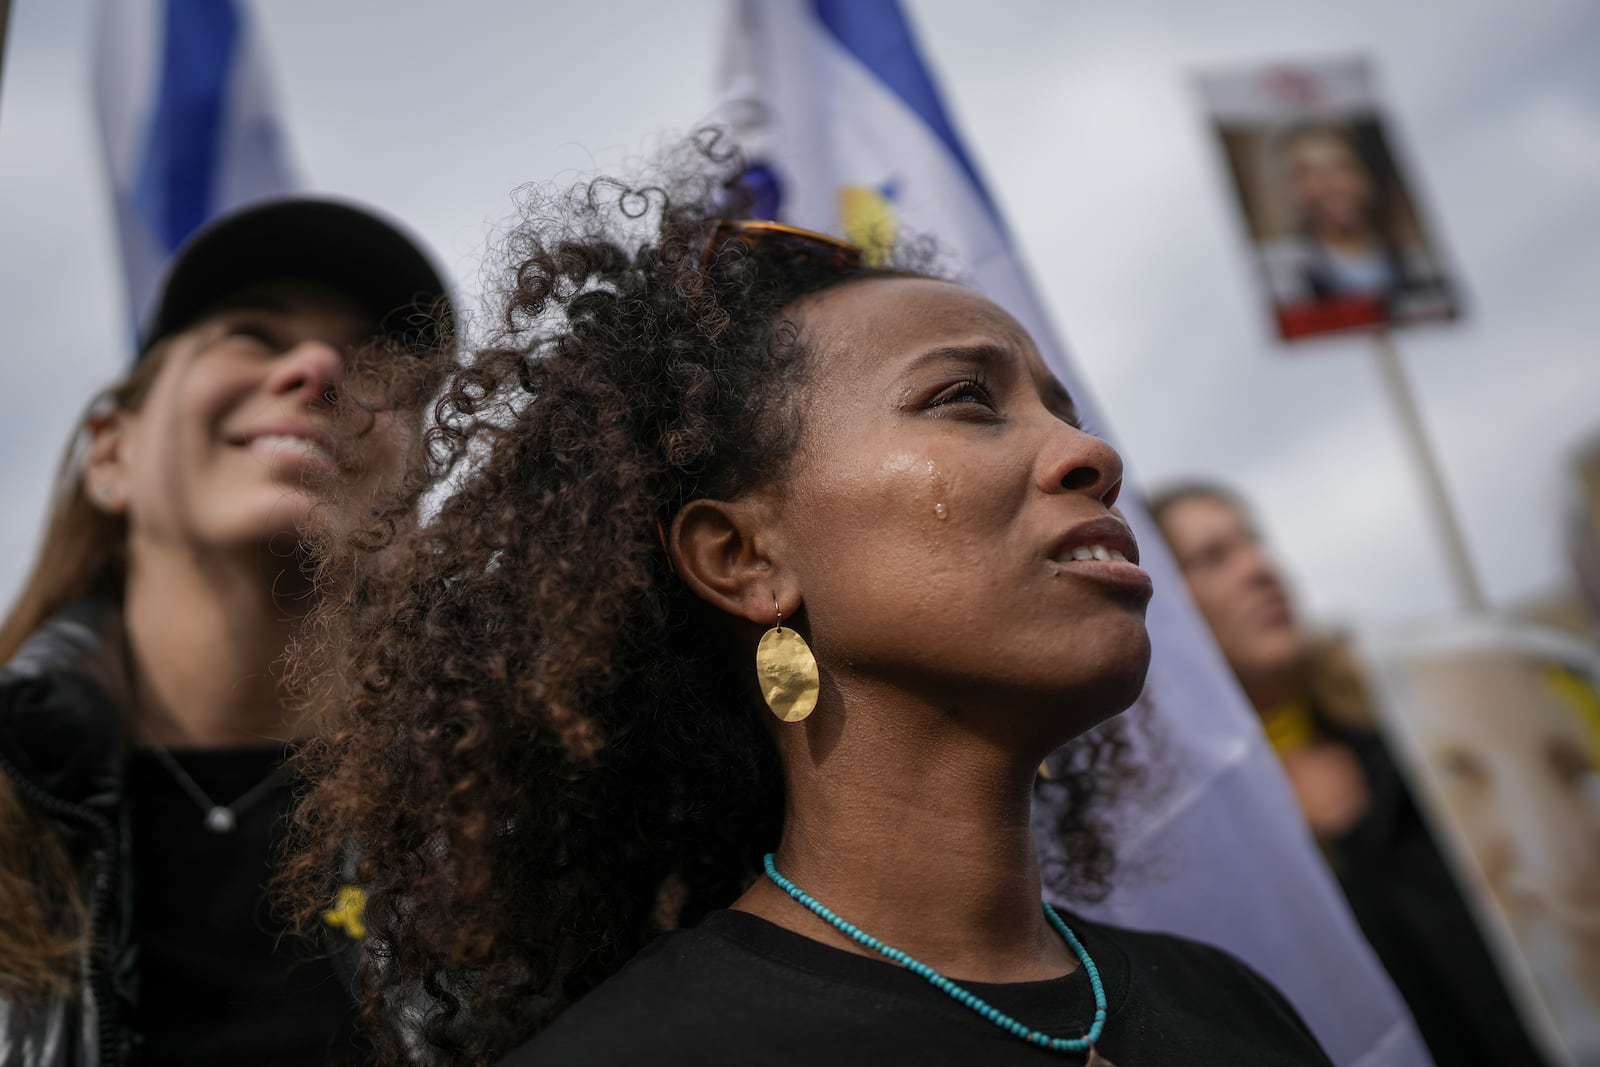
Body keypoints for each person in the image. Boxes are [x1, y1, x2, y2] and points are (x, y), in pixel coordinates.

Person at [284, 149, 1334, 1066]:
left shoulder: (1234, 1006)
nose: (1092, 454)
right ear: (741, 556)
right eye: (964, 398)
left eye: (1061, 409)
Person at [0, 197, 449, 1066]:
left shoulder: (530, 828)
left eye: (377, 362)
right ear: (110, 454)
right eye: (251, 332)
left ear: (415, 494)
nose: (321, 366)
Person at [1149, 481, 1553, 1067]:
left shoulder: (1421, 730)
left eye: (1254, 541)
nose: (1260, 568)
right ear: (1164, 611)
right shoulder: (1191, 840)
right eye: (1213, 558)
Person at [1258, 122, 1454, 335]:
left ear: (1367, 177)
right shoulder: (1277, 275)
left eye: (1342, 167)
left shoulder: (1423, 265)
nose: (1329, 184)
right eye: (1306, 173)